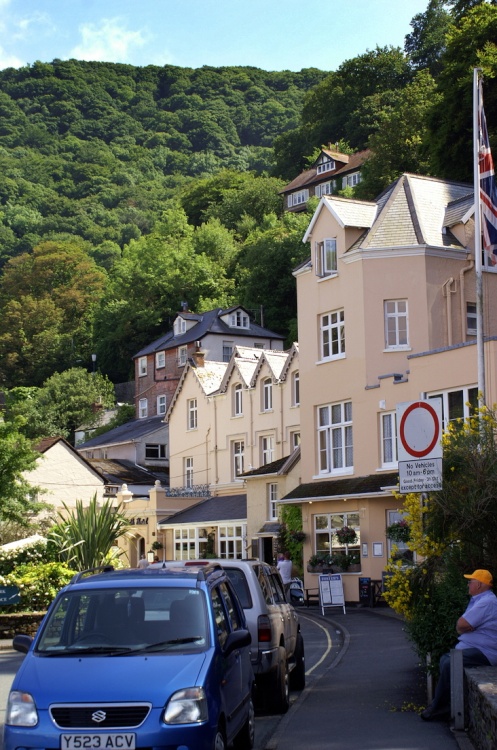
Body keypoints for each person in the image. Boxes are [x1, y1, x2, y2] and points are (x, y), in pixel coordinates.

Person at [421, 569, 497, 721]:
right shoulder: (479, 600)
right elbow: (461, 626)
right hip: (474, 648)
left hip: (485, 652)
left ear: (480, 585)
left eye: (471, 581)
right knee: (445, 660)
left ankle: (440, 708)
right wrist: (464, 627)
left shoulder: (486, 602)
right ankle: (444, 704)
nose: (468, 584)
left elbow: (461, 624)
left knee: (449, 662)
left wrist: (465, 627)